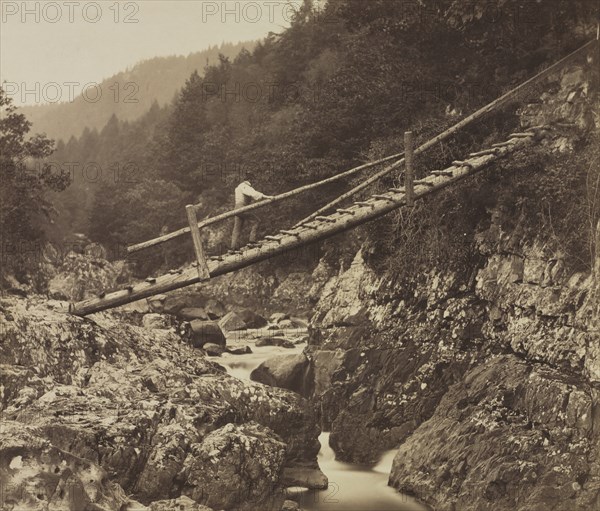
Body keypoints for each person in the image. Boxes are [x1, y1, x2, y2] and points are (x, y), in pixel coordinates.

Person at [231, 180, 273, 250]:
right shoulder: (244, 186)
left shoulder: (238, 188)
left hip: (236, 208)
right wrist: (268, 197)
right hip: (242, 207)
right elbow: (254, 193)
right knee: (257, 221)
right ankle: (252, 240)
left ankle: (233, 247)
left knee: (237, 229)